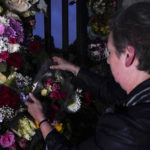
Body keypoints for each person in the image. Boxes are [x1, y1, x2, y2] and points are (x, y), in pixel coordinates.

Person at [25, 2, 150, 150]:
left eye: (110, 52)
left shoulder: (127, 130)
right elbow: (112, 92)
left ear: (128, 55)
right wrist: (75, 69)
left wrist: (42, 120)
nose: (108, 60)